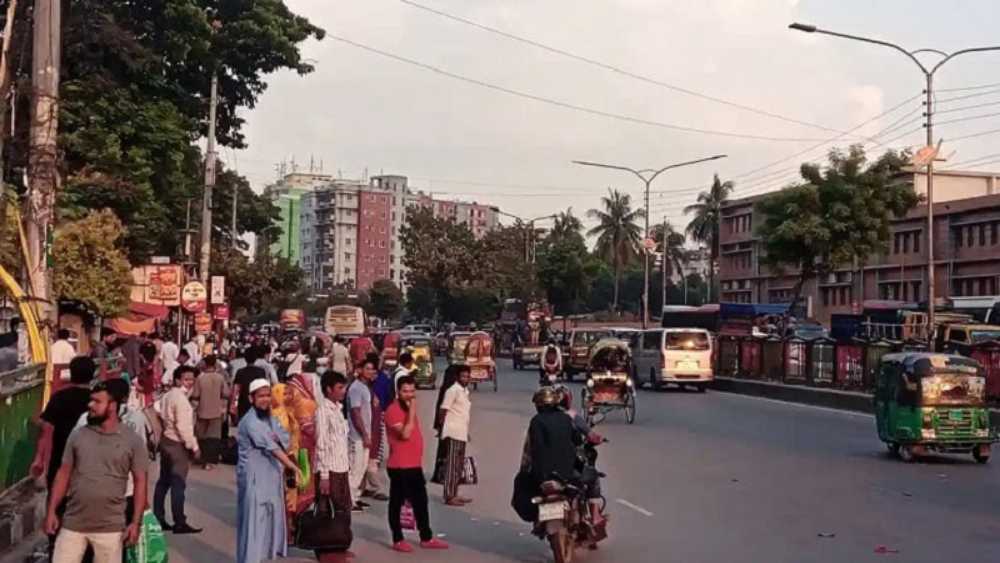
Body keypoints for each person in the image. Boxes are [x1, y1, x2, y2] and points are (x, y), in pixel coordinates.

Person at [44, 380, 148, 563]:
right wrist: (51, 511)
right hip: (73, 524)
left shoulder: (132, 440)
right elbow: (63, 474)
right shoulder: (78, 435)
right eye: (91, 400)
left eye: (97, 401)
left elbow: (140, 481)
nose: (90, 405)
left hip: (111, 529)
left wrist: (135, 522)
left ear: (113, 406)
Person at [30, 357, 96, 556]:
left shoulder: (60, 397)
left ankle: (56, 545)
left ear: (71, 374)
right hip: (91, 463)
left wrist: (39, 458)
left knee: (58, 503)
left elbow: (47, 428)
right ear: (92, 374)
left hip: (61, 462)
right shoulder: (98, 399)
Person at [236, 379, 304, 563]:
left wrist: (277, 441)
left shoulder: (271, 418)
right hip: (254, 479)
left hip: (271, 478)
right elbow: (272, 447)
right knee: (254, 526)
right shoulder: (250, 421)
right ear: (251, 399)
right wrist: (293, 466)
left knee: (269, 524)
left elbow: (285, 439)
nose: (265, 400)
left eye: (267, 395)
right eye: (260, 396)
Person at [384, 375, 448, 552]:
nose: (410, 395)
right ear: (398, 392)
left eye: (412, 391)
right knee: (397, 502)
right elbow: (404, 434)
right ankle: (398, 538)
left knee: (421, 501)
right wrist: (412, 411)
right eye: (405, 391)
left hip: (414, 464)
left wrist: (411, 410)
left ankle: (426, 536)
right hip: (399, 466)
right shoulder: (393, 410)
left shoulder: (407, 408)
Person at [153, 365, 202, 534]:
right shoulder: (180, 399)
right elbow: (184, 427)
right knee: (178, 483)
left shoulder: (169, 395)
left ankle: (159, 517)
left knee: (164, 482)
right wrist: (194, 447)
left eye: (191, 380)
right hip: (177, 443)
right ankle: (179, 521)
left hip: (166, 440)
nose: (189, 383)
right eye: (186, 379)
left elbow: (157, 408)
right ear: (177, 380)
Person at [313, 372, 354, 562]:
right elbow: (321, 444)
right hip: (329, 469)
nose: (343, 391)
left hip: (342, 467)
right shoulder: (322, 411)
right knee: (326, 511)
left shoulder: (338, 409)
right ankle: (325, 550)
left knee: (343, 509)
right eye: (339, 388)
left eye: (344, 387)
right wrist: (324, 476)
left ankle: (340, 545)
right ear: (328, 389)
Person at [554, 385, 606, 529]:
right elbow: (589, 435)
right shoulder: (571, 416)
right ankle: (595, 516)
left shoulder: (540, 419)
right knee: (593, 477)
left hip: (546, 468)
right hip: (568, 465)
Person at [284, 364, 321, 527]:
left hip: (292, 448)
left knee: (293, 486)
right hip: (303, 450)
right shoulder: (306, 403)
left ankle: (290, 522)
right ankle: (295, 522)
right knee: (304, 484)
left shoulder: (290, 401)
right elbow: (310, 429)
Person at [434, 365, 473, 506]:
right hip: (453, 432)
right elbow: (443, 410)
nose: (466, 379)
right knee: (451, 465)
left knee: (458, 465)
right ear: (457, 377)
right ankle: (449, 495)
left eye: (468, 376)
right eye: (463, 376)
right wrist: (441, 428)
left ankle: (455, 493)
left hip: (461, 432)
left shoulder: (465, 391)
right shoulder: (452, 390)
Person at [347, 360, 376, 510]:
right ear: (360, 370)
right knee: (356, 468)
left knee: (363, 467)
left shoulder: (365, 387)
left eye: (372, 369)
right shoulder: (356, 388)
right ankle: (349, 500)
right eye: (368, 368)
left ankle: (356, 497)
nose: (370, 372)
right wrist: (364, 434)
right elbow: (355, 412)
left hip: (365, 434)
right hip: (357, 435)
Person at [191, 355, 229, 470]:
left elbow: (195, 395)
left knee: (201, 436)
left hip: (202, 411)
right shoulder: (220, 378)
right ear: (215, 364)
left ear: (205, 364)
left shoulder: (200, 379)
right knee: (213, 438)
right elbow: (226, 393)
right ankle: (209, 462)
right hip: (216, 412)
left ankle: (201, 458)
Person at [232, 347, 268, 424]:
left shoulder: (240, 372)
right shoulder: (261, 372)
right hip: (257, 403)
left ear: (245, 358)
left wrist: (233, 406)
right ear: (256, 359)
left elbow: (236, 390)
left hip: (243, 404)